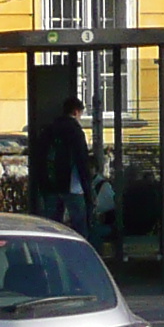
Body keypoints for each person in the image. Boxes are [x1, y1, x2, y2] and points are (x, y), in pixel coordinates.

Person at [29, 94, 92, 230]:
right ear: (76, 112)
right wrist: (88, 188)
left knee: (52, 224)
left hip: (50, 183)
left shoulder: (49, 129)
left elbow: (39, 155)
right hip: (72, 184)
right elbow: (82, 160)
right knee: (79, 223)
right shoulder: (75, 131)